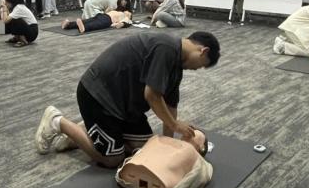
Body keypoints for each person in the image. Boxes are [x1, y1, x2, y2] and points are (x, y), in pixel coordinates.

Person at [35, 31, 221, 167]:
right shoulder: (166, 48)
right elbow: (152, 96)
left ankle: (87, 132)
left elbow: (171, 107)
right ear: (203, 51)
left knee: (146, 147)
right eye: (201, 65)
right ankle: (58, 121)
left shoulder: (176, 66)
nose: (196, 69)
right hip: (98, 96)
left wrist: (168, 146)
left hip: (123, 106)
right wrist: (175, 125)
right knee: (113, 159)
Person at [61, 6, 132, 34]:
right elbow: (107, 11)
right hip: (102, 15)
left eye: (129, 13)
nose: (127, 12)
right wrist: (109, 9)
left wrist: (121, 23)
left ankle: (84, 28)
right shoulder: (118, 11)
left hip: (108, 20)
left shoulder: (126, 18)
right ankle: (68, 25)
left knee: (95, 24)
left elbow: (124, 23)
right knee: (88, 21)